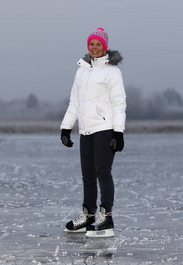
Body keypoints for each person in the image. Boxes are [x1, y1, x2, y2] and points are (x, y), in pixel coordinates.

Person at [60, 27, 126, 238]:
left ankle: (106, 218)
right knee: (87, 175)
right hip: (86, 130)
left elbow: (118, 103)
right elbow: (75, 102)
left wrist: (118, 132)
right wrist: (66, 127)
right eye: (91, 44)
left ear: (104, 47)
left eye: (98, 44)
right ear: (87, 46)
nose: (94, 48)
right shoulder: (82, 71)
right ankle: (88, 216)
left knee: (102, 173)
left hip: (105, 129)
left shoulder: (112, 72)